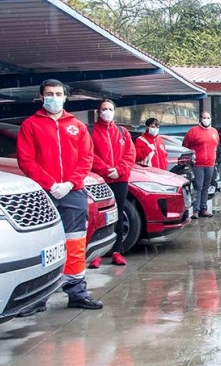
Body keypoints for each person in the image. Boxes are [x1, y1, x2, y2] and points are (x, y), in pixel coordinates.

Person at [17, 79, 103, 311]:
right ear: (41, 97)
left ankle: (77, 293)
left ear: (65, 97)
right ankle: (38, 298)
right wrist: (50, 183)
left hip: (72, 193)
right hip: (44, 192)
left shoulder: (77, 126)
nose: (53, 98)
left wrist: (70, 183)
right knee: (43, 246)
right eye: (49, 94)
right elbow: (26, 160)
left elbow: (87, 158)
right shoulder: (30, 125)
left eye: (57, 94)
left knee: (75, 243)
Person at [89, 99, 136, 267]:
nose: (107, 112)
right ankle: (97, 253)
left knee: (119, 213)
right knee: (99, 217)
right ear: (98, 112)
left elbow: (130, 155)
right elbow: (89, 154)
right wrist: (106, 170)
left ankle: (117, 251)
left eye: (110, 109)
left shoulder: (123, 132)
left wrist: (119, 170)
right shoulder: (91, 131)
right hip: (100, 181)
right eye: (104, 109)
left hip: (120, 180)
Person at [183, 111, 220, 219]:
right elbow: (186, 146)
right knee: (198, 187)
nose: (206, 119)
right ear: (200, 119)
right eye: (204, 117)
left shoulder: (214, 131)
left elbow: (215, 146)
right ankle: (196, 210)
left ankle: (204, 208)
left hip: (210, 164)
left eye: (208, 117)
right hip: (198, 164)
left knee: (206, 187)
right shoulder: (193, 131)